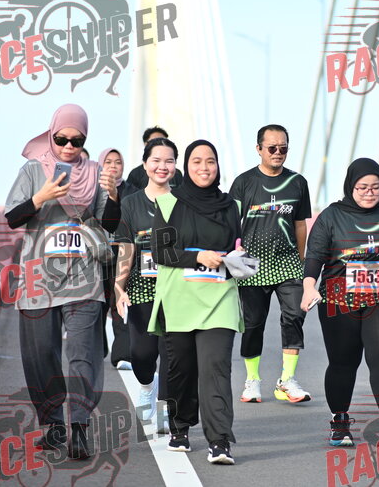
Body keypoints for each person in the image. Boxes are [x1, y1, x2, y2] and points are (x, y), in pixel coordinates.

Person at [4, 103, 120, 459]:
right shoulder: (32, 170)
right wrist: (41, 198)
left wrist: (113, 195)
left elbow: (110, 224)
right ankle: (53, 425)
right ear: (51, 135)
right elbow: (12, 217)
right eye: (62, 139)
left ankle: (79, 428)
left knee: (83, 356)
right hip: (38, 283)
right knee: (41, 356)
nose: (69, 146)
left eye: (77, 140)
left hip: (84, 279)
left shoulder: (96, 173)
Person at [301, 158, 379, 448]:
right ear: (350, 186)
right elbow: (315, 255)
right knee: (343, 361)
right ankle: (339, 422)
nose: (369, 192)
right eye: (363, 187)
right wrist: (308, 286)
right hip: (339, 299)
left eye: (376, 187)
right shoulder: (332, 215)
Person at [149, 140, 243, 464]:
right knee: (182, 369)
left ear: (218, 166)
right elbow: (161, 252)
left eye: (211, 161)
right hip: (180, 300)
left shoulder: (232, 207)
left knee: (216, 368)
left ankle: (220, 440)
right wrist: (198, 256)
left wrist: (239, 257)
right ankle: (180, 427)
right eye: (197, 161)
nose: (204, 168)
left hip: (220, 298)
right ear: (186, 167)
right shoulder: (167, 204)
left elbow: (240, 245)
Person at [229, 124, 312, 404]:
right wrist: (234, 253)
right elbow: (232, 223)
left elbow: (300, 224)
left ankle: (287, 380)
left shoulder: (298, 182)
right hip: (251, 264)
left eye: (283, 148)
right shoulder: (243, 182)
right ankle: (252, 380)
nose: (278, 152)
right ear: (259, 149)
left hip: (288, 263)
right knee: (253, 324)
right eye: (272, 148)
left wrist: (301, 259)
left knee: (295, 316)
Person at [113, 138, 177, 425]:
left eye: (169, 161)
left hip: (175, 289)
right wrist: (119, 288)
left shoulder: (183, 203)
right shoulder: (131, 203)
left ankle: (166, 413)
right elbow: (126, 248)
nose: (162, 166)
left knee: (171, 354)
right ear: (145, 164)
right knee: (142, 353)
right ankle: (147, 386)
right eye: (156, 160)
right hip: (141, 289)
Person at [98, 148, 139, 370]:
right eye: (108, 162)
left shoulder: (132, 192)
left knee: (120, 304)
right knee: (97, 306)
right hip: (95, 257)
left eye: (118, 162)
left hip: (122, 255)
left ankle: (123, 354)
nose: (113, 166)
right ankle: (98, 349)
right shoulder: (91, 190)